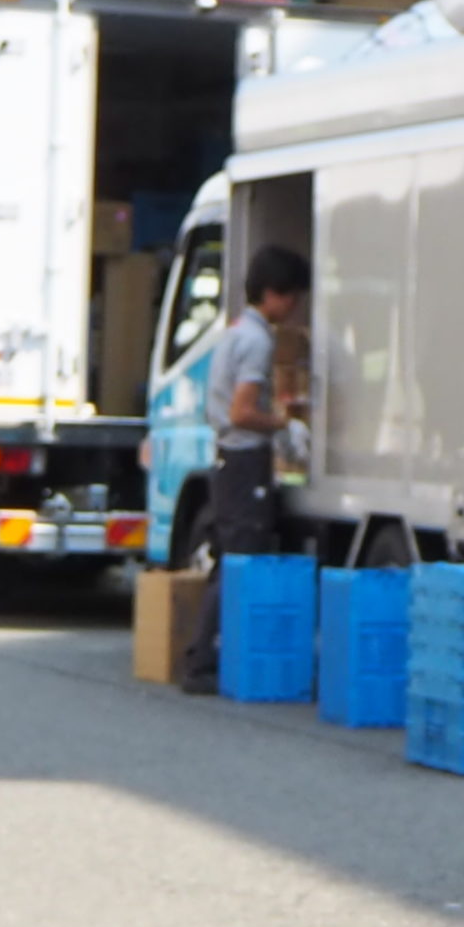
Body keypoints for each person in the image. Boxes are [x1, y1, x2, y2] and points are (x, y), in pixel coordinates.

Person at [180, 244, 309, 695]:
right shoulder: (256, 341)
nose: (294, 306)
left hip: (224, 458)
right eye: (292, 296)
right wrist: (284, 425)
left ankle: (206, 657)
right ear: (273, 293)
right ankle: (204, 662)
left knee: (228, 560)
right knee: (242, 560)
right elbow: (242, 411)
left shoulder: (233, 332)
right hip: (244, 460)